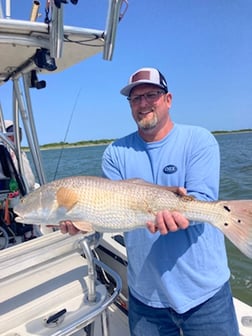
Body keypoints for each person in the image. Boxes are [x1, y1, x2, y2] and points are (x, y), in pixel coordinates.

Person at [60, 67, 239, 336]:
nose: (143, 104)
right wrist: (83, 223)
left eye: (151, 95)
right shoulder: (115, 153)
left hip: (205, 295)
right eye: (135, 98)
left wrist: (178, 207)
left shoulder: (199, 140)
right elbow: (111, 212)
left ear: (168, 99)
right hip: (146, 298)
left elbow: (202, 199)